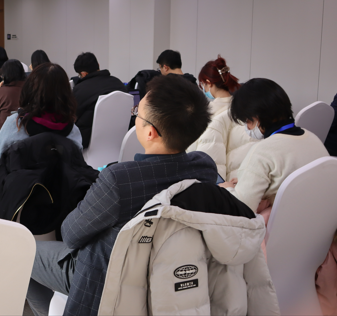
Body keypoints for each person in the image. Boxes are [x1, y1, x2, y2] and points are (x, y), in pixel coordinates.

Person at [27, 75, 218, 316]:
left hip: (105, 278)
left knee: (21, 251)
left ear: (150, 132)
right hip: (169, 275)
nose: (135, 117)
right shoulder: (205, 168)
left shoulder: (119, 180)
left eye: (137, 113)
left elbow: (71, 235)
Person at [0, 62, 82, 214]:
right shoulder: (73, 131)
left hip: (14, 206)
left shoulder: (16, 125)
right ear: (67, 93)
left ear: (30, 90)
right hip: (59, 207)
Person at [222, 78, 329, 213]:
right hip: (319, 219)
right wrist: (248, 182)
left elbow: (241, 209)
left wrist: (227, 189)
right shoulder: (313, 139)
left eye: (247, 121)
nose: (247, 127)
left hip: (283, 224)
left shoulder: (262, 152)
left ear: (257, 117)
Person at [187, 56, 256, 181]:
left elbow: (208, 158)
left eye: (202, 85)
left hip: (223, 183)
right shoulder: (244, 109)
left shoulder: (209, 115)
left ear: (208, 83)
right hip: (247, 177)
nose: (203, 89)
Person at [72, 52, 126, 149]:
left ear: (83, 74)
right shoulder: (118, 83)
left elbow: (72, 115)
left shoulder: (80, 89)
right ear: (98, 65)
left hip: (88, 142)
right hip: (120, 140)